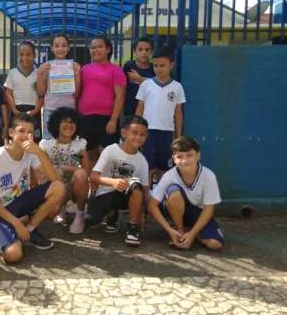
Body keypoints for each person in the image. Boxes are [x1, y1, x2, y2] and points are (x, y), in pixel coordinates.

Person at [0, 113, 65, 263]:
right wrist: (17, 223)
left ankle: (30, 230)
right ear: (11, 133)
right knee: (14, 255)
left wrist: (39, 151)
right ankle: (6, 229)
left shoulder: (30, 153)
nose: (26, 135)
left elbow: (52, 178)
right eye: (21, 131)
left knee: (58, 187)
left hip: (18, 202)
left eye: (30, 132)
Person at [147, 136, 224, 251]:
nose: (185, 160)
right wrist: (169, 229)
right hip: (174, 209)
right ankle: (179, 231)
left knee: (215, 244)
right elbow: (152, 205)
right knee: (174, 192)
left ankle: (190, 234)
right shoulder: (169, 176)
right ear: (174, 159)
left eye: (189, 155)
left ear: (198, 155)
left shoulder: (209, 176)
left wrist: (192, 234)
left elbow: (209, 209)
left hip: (197, 213)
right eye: (180, 157)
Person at [84, 115, 150, 246]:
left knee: (136, 185)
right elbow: (93, 177)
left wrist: (141, 215)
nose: (138, 137)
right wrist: (112, 182)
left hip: (126, 196)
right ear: (124, 133)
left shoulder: (142, 161)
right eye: (134, 133)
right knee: (90, 220)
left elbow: (145, 189)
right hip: (106, 193)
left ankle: (132, 227)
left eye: (142, 134)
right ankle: (112, 214)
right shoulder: (110, 150)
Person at [136, 46, 186, 187]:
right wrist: (138, 131)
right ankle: (145, 201)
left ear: (171, 65)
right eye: (156, 65)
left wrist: (178, 136)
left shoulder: (177, 87)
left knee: (163, 169)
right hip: (148, 131)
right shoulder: (146, 85)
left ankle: (160, 200)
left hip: (167, 132)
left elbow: (178, 113)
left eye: (162, 65)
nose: (158, 69)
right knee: (148, 168)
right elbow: (140, 108)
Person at [79, 35, 126, 172]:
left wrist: (113, 120)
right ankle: (92, 190)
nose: (95, 50)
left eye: (99, 47)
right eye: (92, 48)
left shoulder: (116, 70)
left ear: (108, 49)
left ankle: (105, 188)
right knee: (90, 156)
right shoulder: (84, 69)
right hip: (86, 118)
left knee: (107, 156)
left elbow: (120, 96)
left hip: (107, 118)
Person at [38, 107, 90, 234]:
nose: (69, 125)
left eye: (73, 122)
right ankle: (60, 206)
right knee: (50, 214)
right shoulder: (46, 145)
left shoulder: (80, 145)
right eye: (65, 122)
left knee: (81, 174)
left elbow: (86, 170)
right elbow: (40, 169)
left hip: (72, 185)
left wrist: (64, 168)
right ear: (57, 124)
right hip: (53, 186)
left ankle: (79, 214)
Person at [36, 34, 82, 140]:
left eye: (64, 45)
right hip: (50, 110)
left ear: (68, 48)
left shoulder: (74, 67)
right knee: (49, 143)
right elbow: (41, 92)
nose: (60, 49)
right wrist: (40, 73)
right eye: (56, 46)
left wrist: (77, 74)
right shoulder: (46, 67)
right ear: (52, 48)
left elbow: (76, 93)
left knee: (68, 143)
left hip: (68, 109)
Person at [5, 41, 44, 142]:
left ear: (34, 56)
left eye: (28, 55)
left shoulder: (38, 73)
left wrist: (34, 111)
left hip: (33, 111)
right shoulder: (12, 73)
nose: (25, 58)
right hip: (16, 111)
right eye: (21, 54)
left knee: (33, 140)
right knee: (16, 139)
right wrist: (14, 111)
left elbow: (42, 95)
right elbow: (9, 94)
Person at [122, 36, 155, 117]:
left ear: (151, 51)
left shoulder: (154, 68)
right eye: (140, 49)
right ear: (134, 50)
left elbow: (156, 89)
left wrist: (139, 79)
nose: (144, 53)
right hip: (129, 108)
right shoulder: (129, 66)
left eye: (147, 50)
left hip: (148, 109)